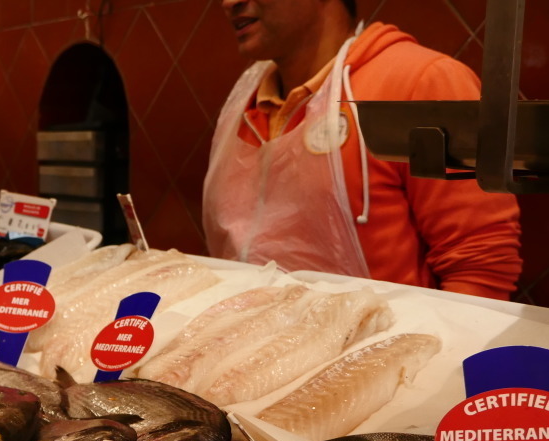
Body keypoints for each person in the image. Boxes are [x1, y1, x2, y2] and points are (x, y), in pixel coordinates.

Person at [203, 0, 522, 300]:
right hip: (253, 342)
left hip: (385, 349)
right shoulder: (243, 101)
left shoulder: (423, 81)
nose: (229, 2)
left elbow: (480, 264)